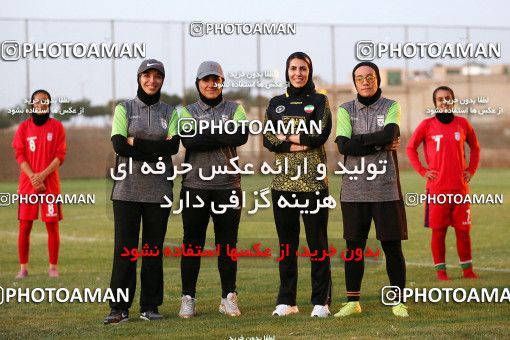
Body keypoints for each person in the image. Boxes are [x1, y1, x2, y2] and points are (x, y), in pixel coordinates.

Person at [103, 59, 180, 324]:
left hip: (158, 191)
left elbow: (172, 148)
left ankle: (150, 306)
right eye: (147, 75)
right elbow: (119, 146)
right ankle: (119, 308)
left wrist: (136, 141)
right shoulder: (124, 108)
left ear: (162, 80)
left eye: (157, 76)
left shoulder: (170, 112)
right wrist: (154, 145)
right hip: (126, 191)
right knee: (124, 250)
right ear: (139, 78)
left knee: (152, 250)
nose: (152, 80)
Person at [334, 61, 408, 317]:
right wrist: (378, 144)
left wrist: (362, 141)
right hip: (354, 190)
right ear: (354, 82)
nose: (365, 81)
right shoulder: (345, 110)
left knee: (392, 246)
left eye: (370, 76)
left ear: (377, 79)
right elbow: (343, 146)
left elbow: (390, 133)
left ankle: (398, 301)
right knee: (354, 247)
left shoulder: (391, 106)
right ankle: (353, 302)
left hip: (386, 188)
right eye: (360, 77)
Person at [176, 61, 248, 318]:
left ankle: (228, 296)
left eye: (215, 79)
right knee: (192, 244)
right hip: (195, 186)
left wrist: (207, 133)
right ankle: (188, 298)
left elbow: (240, 136)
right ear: (198, 83)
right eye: (205, 80)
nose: (210, 84)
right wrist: (222, 132)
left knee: (227, 244)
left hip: (228, 186)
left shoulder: (236, 108)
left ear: (222, 82)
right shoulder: (186, 111)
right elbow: (190, 140)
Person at [263, 51, 332, 318]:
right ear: (287, 71)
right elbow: (269, 139)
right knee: (287, 246)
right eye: (293, 68)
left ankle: (321, 301)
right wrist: (299, 142)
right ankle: (287, 301)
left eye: (303, 68)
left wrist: (287, 138)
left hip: (314, 183)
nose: (298, 73)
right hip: (282, 184)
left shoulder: (319, 100)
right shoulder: (276, 102)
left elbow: (320, 134)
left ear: (309, 71)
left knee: (318, 244)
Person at [406, 86, 480, 281]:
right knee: (439, 232)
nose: (444, 101)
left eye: (447, 98)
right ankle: (441, 272)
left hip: (460, 190)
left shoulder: (463, 124)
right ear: (435, 103)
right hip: (436, 190)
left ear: (453, 100)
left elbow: (476, 148)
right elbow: (410, 148)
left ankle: (468, 271)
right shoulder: (427, 125)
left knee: (464, 231)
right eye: (440, 99)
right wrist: (423, 171)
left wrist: (470, 170)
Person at [12, 89, 66, 279]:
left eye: (44, 101)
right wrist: (33, 177)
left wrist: (42, 176)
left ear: (49, 104)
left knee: (52, 226)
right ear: (32, 104)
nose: (41, 104)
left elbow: (60, 156)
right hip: (28, 185)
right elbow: (19, 155)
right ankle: (23, 268)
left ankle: (52, 267)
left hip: (50, 184)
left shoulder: (57, 127)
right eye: (37, 101)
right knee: (25, 226)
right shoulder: (23, 128)